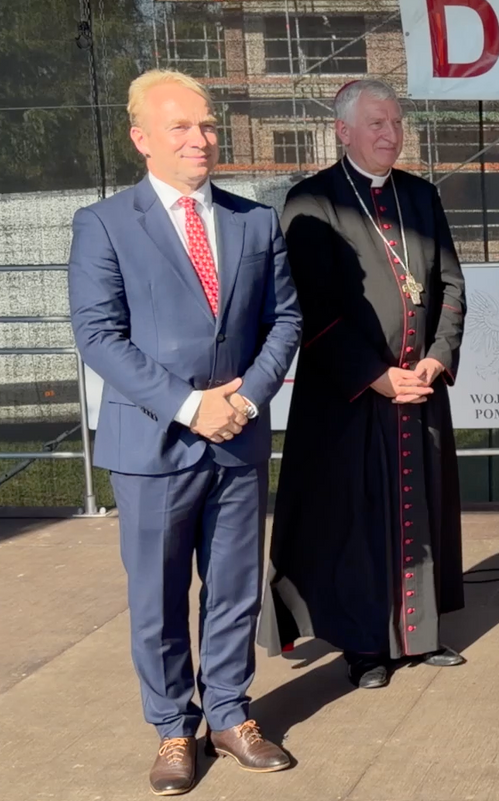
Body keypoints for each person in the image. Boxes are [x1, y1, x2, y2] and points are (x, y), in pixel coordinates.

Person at [68, 69, 300, 795]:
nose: (201, 138)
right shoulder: (104, 223)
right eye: (181, 127)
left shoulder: (254, 221)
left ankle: (230, 714)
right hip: (152, 445)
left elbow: (284, 320)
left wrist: (247, 401)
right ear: (141, 138)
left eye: (207, 125)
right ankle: (174, 726)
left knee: (234, 589)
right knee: (159, 597)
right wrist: (189, 406)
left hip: (238, 439)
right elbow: (98, 335)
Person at [261, 79, 468, 689]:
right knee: (356, 521)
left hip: (418, 390)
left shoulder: (420, 196)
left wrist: (437, 357)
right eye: (377, 123)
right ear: (343, 131)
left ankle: (419, 635)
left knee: (420, 513)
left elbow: (451, 285)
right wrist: (376, 377)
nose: (391, 134)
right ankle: (365, 646)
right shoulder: (312, 200)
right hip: (350, 398)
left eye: (397, 123)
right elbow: (312, 308)